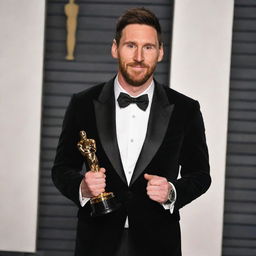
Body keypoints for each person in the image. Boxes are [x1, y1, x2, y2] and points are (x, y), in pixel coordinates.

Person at [52, 7, 211, 256]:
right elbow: (61, 169)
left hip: (159, 244)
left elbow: (201, 175)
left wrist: (172, 192)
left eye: (148, 47)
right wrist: (82, 187)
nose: (139, 56)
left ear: (160, 52)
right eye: (130, 45)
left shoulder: (186, 109)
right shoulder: (82, 103)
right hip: (96, 242)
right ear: (115, 48)